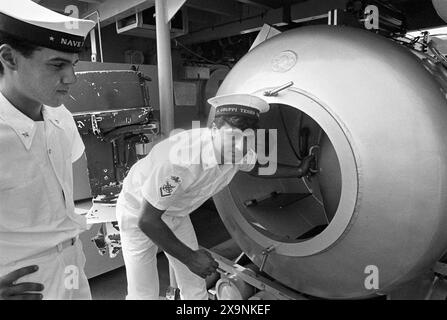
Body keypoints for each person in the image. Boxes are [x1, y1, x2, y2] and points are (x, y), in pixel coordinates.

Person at [116, 93, 316, 300]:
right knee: (143, 292)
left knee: (194, 286)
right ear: (214, 130)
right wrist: (191, 258)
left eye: (247, 137)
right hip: (138, 211)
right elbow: (147, 220)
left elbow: (255, 167)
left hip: (177, 213)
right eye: (233, 137)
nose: (240, 146)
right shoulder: (180, 160)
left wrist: (298, 171)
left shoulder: (238, 150)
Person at [0, 0, 96, 300]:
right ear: (9, 58)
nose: (71, 78)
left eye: (73, 65)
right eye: (57, 65)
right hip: (23, 281)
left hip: (73, 264)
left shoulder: (59, 115)